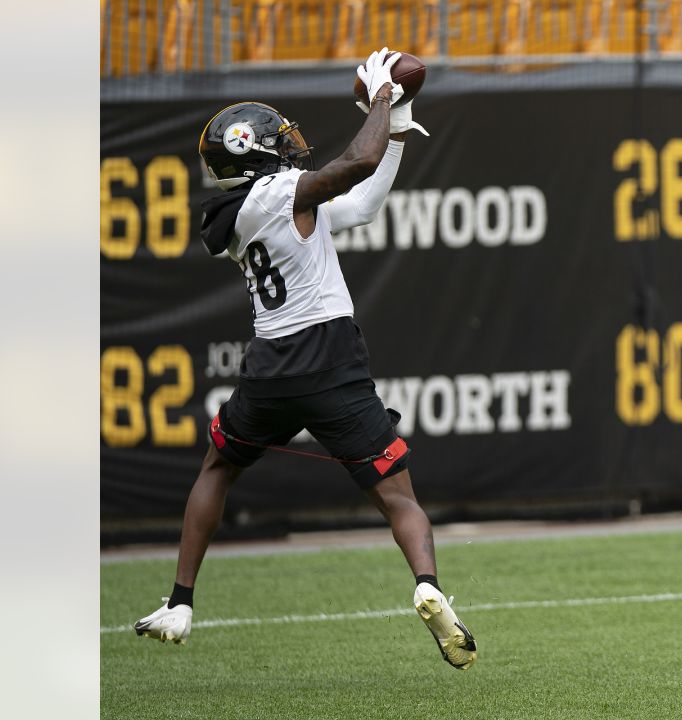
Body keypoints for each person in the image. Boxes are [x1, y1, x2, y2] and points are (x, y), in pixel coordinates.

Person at [132, 48, 476, 671]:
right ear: (254, 152)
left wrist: (396, 132)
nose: (290, 143)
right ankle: (427, 585)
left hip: (271, 365)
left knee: (217, 468)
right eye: (277, 139)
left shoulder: (248, 212)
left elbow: (363, 203)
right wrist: (381, 100)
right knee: (397, 496)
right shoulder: (275, 194)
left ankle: (180, 601)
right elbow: (356, 162)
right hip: (332, 357)